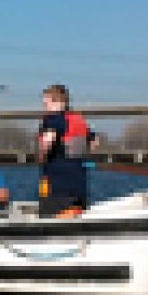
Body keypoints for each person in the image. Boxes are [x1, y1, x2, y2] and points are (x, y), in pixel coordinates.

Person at [37, 84, 96, 217]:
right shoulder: (79, 120)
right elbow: (93, 142)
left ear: (58, 102)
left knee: (50, 219)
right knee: (76, 215)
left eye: (46, 104)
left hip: (57, 186)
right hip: (79, 186)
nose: (45, 108)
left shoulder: (53, 120)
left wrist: (41, 155)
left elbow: (48, 141)